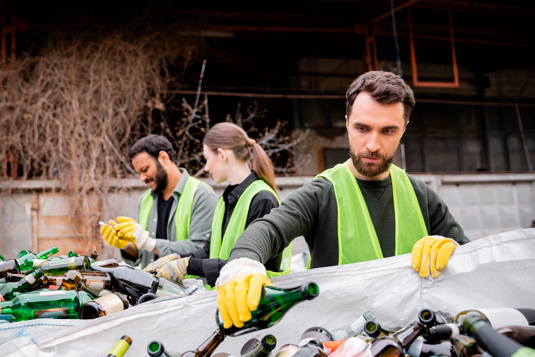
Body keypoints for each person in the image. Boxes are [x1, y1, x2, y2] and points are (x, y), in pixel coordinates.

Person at [216, 71, 470, 329]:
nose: (373, 144)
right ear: (347, 123)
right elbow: (268, 229)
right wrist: (243, 265)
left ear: (404, 129)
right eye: (362, 128)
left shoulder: (421, 196)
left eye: (388, 131)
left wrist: (453, 251)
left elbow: (473, 263)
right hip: (339, 351)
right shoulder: (322, 193)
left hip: (413, 344)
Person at [142, 122, 290, 287]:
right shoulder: (226, 199)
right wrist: (178, 258)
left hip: (255, 301)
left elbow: (244, 266)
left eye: (206, 159)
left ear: (221, 154)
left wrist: (189, 265)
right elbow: (209, 250)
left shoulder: (262, 200)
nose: (205, 168)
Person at [100, 134, 217, 268]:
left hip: (188, 288)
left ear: (164, 158)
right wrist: (126, 245)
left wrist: (149, 243)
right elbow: (143, 253)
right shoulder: (145, 200)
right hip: (150, 287)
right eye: (139, 173)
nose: (142, 179)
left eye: (145, 170)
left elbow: (200, 249)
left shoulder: (201, 195)